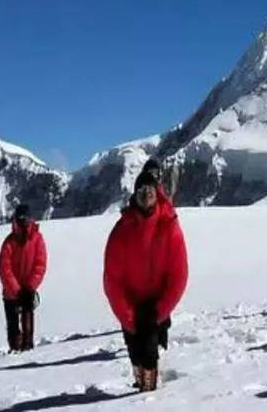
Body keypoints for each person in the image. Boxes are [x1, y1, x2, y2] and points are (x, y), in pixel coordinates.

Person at [103, 160, 190, 391]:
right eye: (141, 190)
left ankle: (148, 391)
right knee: (134, 349)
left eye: (150, 190)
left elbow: (179, 274)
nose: (146, 195)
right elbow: (113, 280)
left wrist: (160, 312)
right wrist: (127, 316)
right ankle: (140, 379)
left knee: (151, 348)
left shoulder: (169, 226)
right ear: (135, 194)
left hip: (155, 305)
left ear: (157, 192)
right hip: (131, 304)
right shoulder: (122, 230)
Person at [0, 204, 47, 352]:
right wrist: (17, 291)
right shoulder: (9, 243)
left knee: (28, 327)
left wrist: (30, 287)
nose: (24, 223)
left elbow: (40, 264)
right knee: (13, 328)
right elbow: (4, 269)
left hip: (27, 292)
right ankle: (14, 349)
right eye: (20, 220)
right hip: (11, 293)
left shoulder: (37, 240)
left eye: (26, 220)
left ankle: (27, 348)